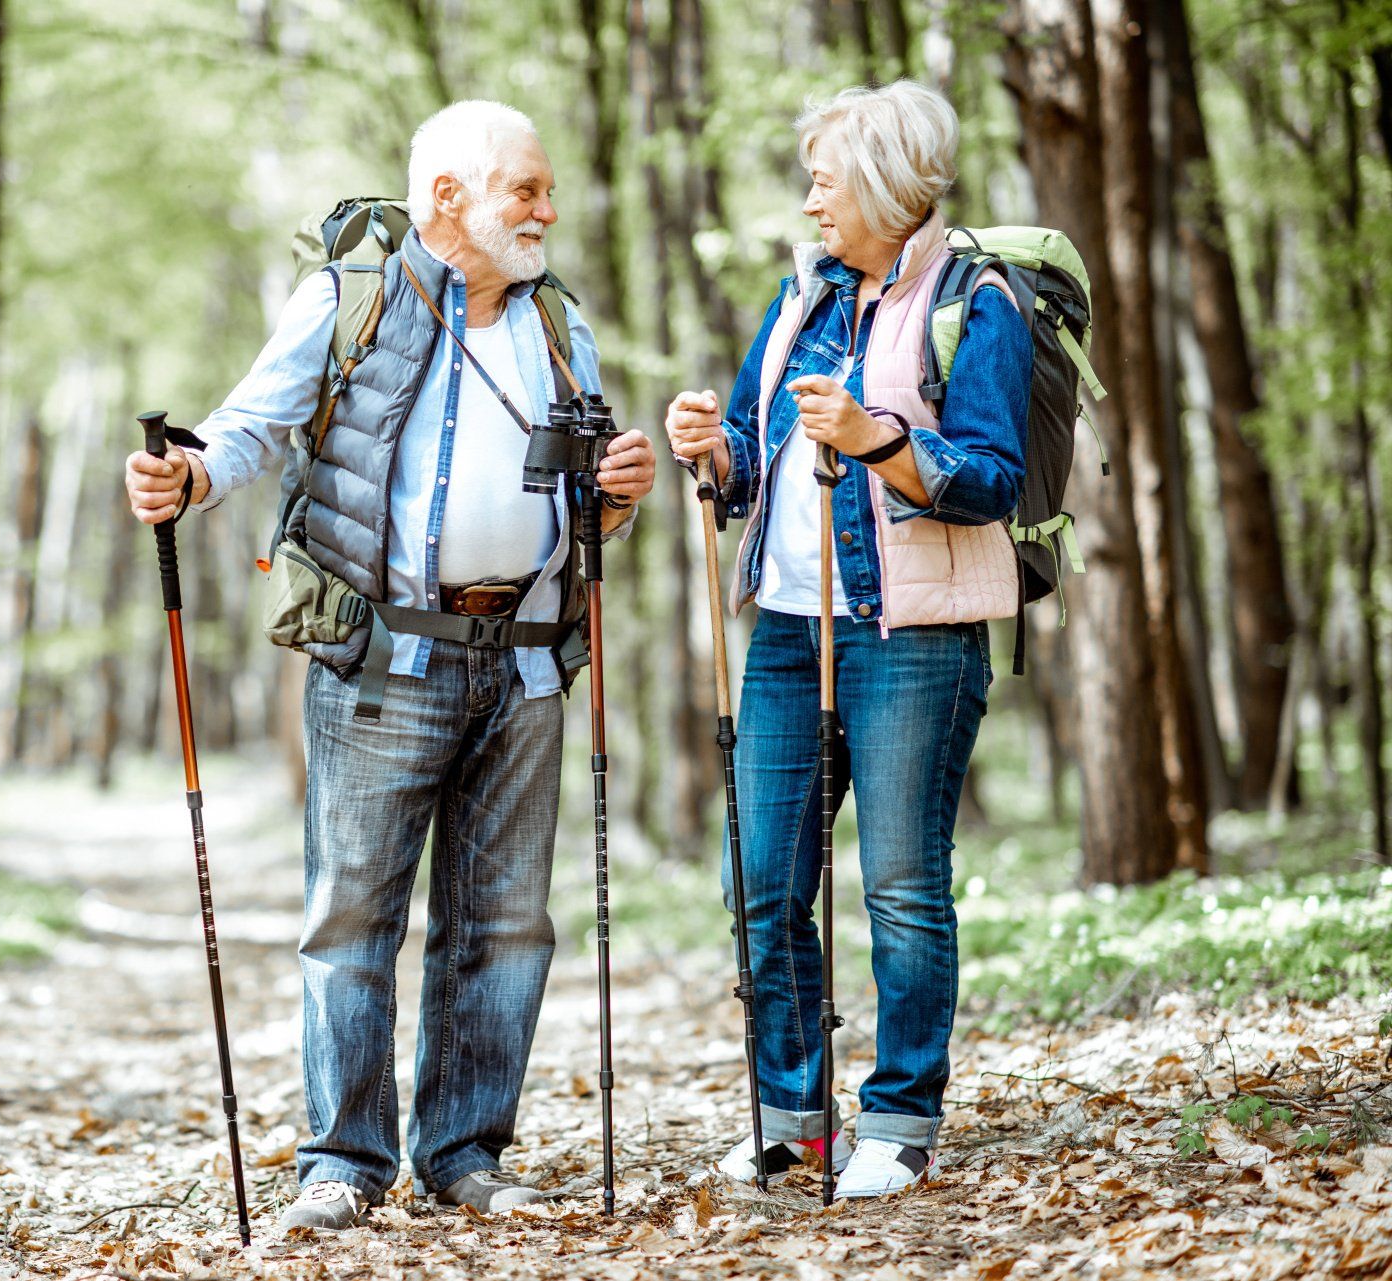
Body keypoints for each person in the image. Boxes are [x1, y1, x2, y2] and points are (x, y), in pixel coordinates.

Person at [125, 100, 656, 1233]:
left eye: (548, 189)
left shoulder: (561, 321)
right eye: (527, 189)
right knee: (353, 916)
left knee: (506, 923)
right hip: (385, 660)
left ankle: (466, 1153)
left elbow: (588, 502)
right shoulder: (347, 300)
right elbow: (251, 427)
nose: (548, 211)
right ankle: (343, 1163)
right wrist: (189, 477)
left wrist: (617, 493)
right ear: (448, 197)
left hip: (526, 666)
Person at [664, 80, 1030, 1199]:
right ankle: (793, 1119)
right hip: (784, 628)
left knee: (902, 887)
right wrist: (710, 449)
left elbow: (990, 478)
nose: (814, 200)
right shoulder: (804, 295)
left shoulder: (980, 300)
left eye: (826, 179)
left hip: (908, 636)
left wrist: (879, 440)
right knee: (764, 885)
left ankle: (901, 1123)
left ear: (879, 183)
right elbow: (749, 443)